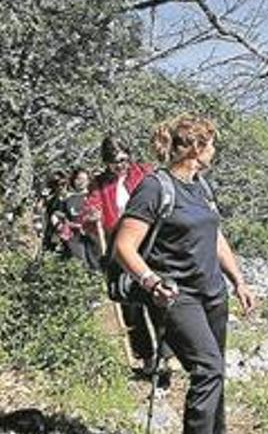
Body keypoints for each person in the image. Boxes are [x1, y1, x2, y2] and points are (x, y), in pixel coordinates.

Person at [114, 114, 256, 434]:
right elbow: (124, 246)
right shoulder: (154, 187)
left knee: (215, 373)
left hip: (213, 294)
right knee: (207, 369)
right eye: (211, 144)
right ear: (195, 148)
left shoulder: (200, 187)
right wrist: (150, 281)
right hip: (178, 296)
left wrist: (238, 280)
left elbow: (215, 235)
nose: (214, 150)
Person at [79, 136, 157, 373]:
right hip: (117, 244)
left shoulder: (144, 173)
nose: (121, 165)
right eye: (114, 162)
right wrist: (92, 217)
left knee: (156, 294)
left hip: (148, 241)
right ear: (106, 162)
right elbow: (90, 211)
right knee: (127, 298)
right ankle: (145, 356)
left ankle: (167, 351)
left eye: (124, 159)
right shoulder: (100, 184)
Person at [58, 167, 100, 268]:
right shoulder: (67, 199)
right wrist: (61, 227)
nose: (81, 182)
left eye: (84, 179)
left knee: (95, 263)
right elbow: (58, 215)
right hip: (73, 238)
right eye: (78, 179)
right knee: (78, 264)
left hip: (92, 236)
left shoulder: (93, 196)